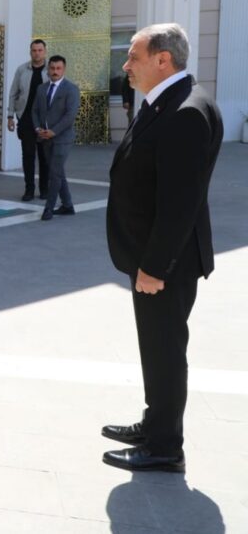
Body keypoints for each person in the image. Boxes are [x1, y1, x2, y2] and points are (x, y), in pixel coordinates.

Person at [102, 23, 222, 473]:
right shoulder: (169, 100)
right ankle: (155, 425)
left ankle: (165, 447)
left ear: (162, 60)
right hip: (153, 259)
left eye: (132, 56)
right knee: (156, 348)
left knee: (165, 351)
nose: (126, 65)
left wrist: (153, 267)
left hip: (165, 264)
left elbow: (180, 204)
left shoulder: (186, 111)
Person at [31, 55, 79, 221]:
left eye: (58, 68)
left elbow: (70, 115)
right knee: (57, 172)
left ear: (64, 69)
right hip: (44, 137)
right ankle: (67, 205)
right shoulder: (41, 89)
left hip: (62, 138)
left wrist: (54, 131)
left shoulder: (71, 89)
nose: (55, 72)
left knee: (54, 174)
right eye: (52, 68)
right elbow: (35, 111)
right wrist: (38, 128)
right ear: (48, 69)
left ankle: (48, 209)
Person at [7, 40, 49, 201]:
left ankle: (44, 189)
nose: (37, 53)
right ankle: (29, 189)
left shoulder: (50, 70)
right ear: (30, 52)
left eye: (39, 50)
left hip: (44, 120)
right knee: (28, 155)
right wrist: (10, 116)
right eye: (34, 50)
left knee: (44, 156)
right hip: (25, 118)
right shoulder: (22, 70)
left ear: (44, 51)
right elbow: (13, 93)